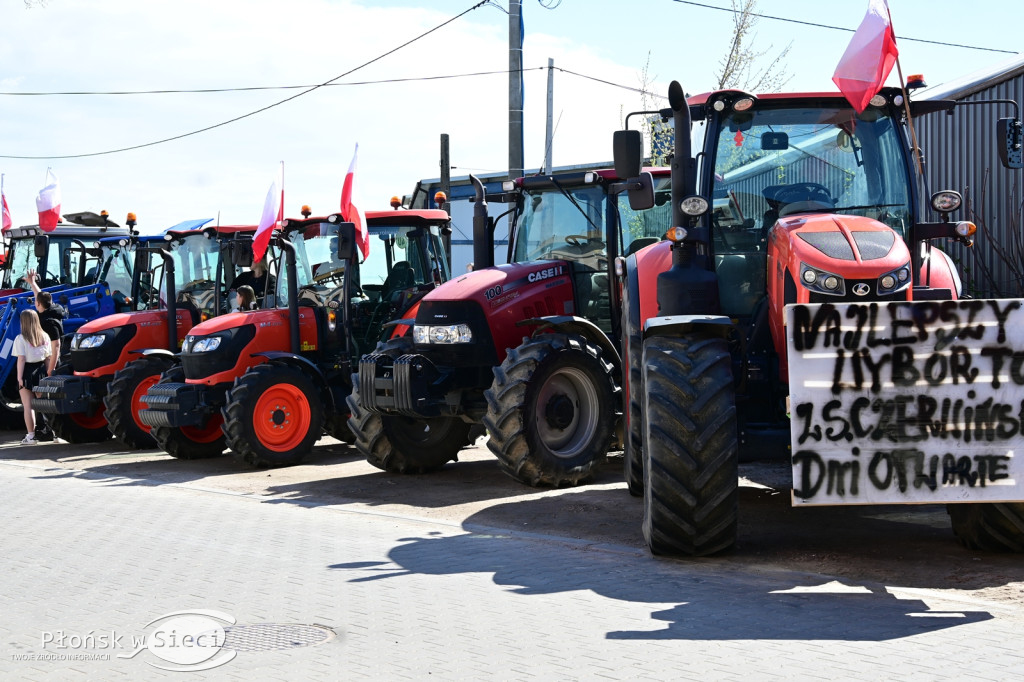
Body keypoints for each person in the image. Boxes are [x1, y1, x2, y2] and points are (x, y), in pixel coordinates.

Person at [13, 309, 52, 445]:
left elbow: (21, 359)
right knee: (44, 405)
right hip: (42, 370)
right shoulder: (45, 336)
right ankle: (51, 432)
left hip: (27, 371)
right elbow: (48, 358)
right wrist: (48, 374)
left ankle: (31, 436)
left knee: (28, 406)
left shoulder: (21, 338)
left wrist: (19, 378)